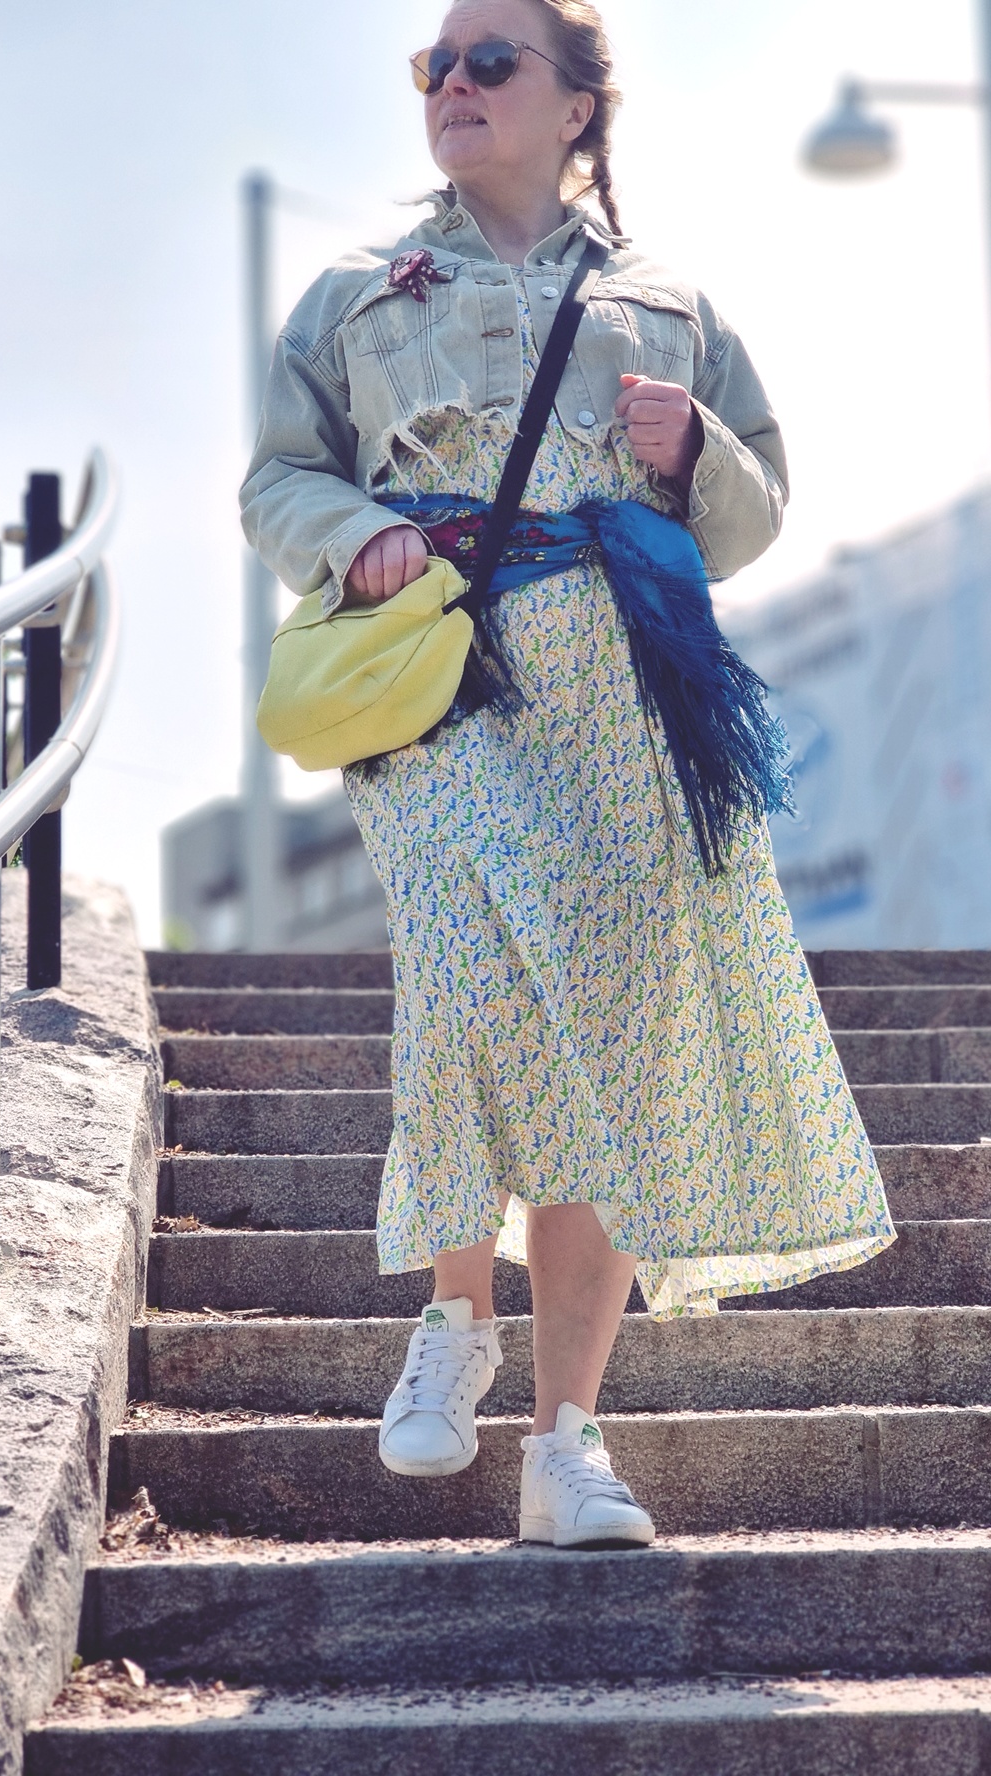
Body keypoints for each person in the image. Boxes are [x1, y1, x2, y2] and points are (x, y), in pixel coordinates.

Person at [240, 0, 895, 1551]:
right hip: (443, 675)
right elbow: (277, 478)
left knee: (602, 1042)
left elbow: (754, 510)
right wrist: (355, 532)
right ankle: (457, 1313)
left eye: (491, 61)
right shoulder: (350, 292)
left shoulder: (670, 301)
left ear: (577, 105)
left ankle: (565, 1448)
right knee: (467, 977)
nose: (453, 85)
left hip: (622, 686)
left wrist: (694, 455)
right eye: (436, 66)